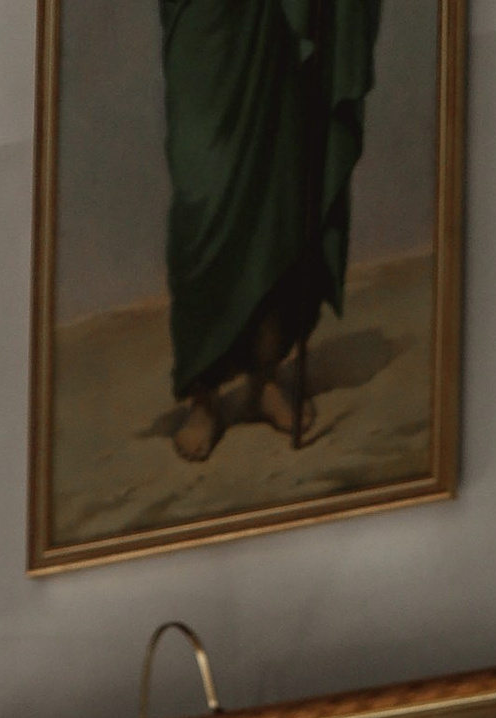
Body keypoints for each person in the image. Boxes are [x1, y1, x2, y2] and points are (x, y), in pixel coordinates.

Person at [160, 0, 380, 465]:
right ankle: (204, 395)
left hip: (270, 18)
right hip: (203, 24)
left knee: (273, 205)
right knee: (203, 205)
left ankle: (264, 379)